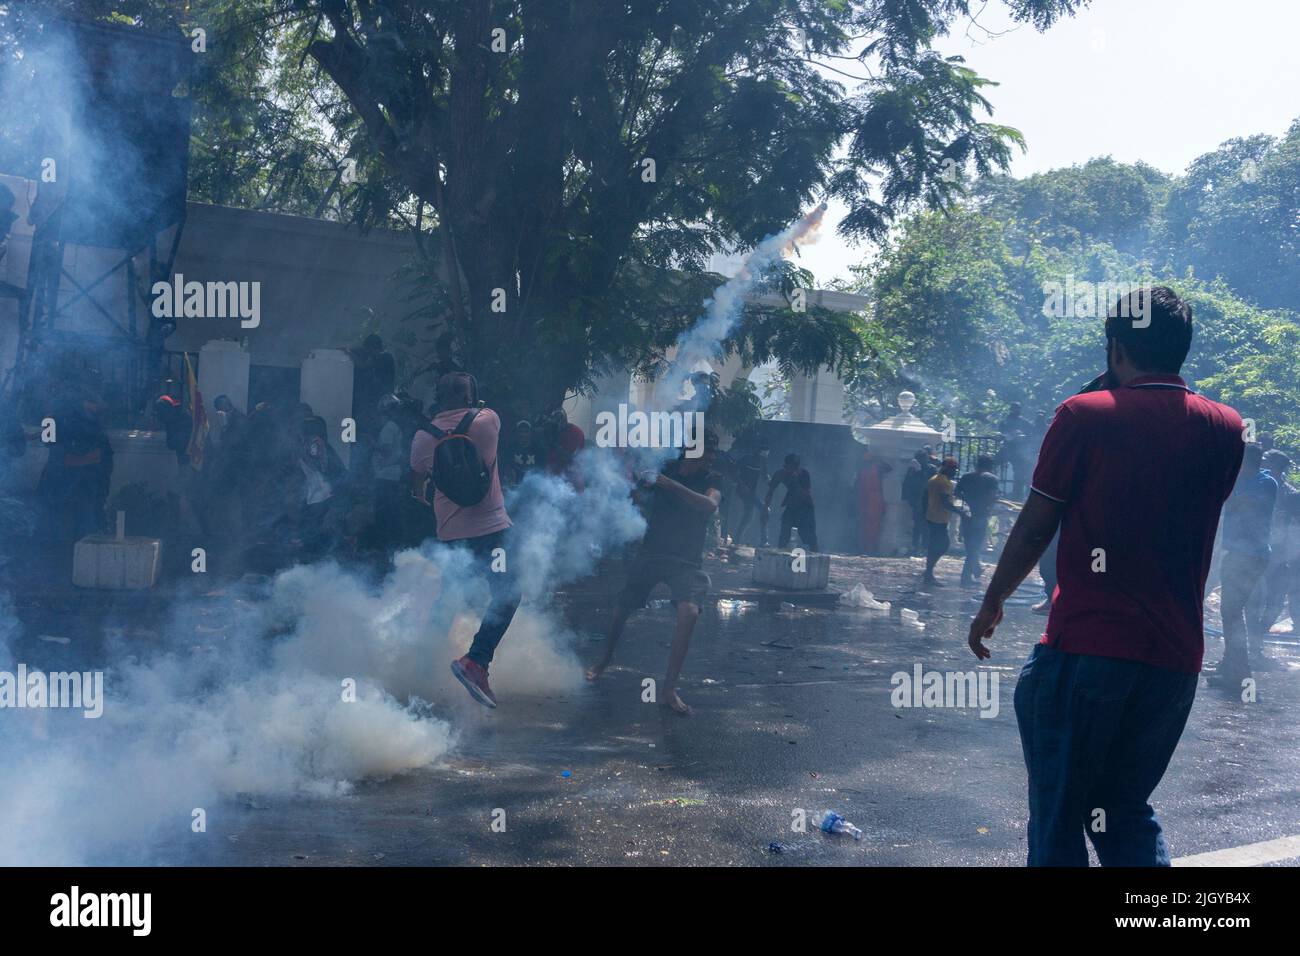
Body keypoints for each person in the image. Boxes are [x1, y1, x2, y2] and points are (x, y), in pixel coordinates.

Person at [968, 286, 1244, 867]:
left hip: (1088, 650)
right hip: (1173, 661)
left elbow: (1037, 525)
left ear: (1115, 348)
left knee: (1059, 813)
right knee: (1121, 809)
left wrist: (993, 601)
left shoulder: (1081, 416)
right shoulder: (1226, 428)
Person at [586, 430, 723, 716]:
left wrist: (671, 486)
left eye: (713, 450)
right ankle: (604, 661)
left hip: (685, 561)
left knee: (690, 613)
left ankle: (669, 689)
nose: (711, 456)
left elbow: (709, 505)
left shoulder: (711, 480)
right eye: (707, 449)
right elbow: (637, 496)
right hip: (652, 553)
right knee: (622, 609)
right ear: (690, 449)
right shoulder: (665, 469)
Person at [412, 372, 519, 708]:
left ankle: (419, 662)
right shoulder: (488, 421)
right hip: (492, 530)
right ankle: (476, 660)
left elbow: (417, 487)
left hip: (451, 534)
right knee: (507, 593)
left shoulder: (422, 438)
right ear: (471, 396)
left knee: (450, 595)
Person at [1213, 443, 1277, 689]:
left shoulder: (1265, 482)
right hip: (1238, 554)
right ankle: (1231, 665)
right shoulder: (1240, 480)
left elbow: (1239, 505)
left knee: (1232, 611)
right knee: (1230, 612)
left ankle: (1238, 672)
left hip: (1250, 556)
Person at [955, 454, 1000, 586]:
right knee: (974, 547)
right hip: (980, 515)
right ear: (990, 465)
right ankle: (966, 578)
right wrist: (989, 505)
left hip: (967, 515)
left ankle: (974, 571)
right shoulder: (992, 479)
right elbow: (992, 496)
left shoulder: (966, 476)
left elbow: (957, 493)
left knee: (970, 546)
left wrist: (969, 499)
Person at [923, 457, 965, 587]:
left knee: (934, 545)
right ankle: (928, 573)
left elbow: (925, 498)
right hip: (939, 518)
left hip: (931, 516)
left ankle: (928, 571)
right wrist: (961, 512)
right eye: (953, 469)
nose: (954, 472)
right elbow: (945, 502)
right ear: (948, 468)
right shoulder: (945, 483)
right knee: (943, 545)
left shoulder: (933, 479)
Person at [765, 452, 817, 551]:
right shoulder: (781, 474)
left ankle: (813, 554)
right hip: (791, 506)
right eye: (790, 467)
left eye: (794, 467)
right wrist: (765, 508)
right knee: (784, 532)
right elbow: (770, 491)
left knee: (808, 536)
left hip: (805, 507)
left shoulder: (804, 474)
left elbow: (805, 494)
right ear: (785, 466)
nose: (792, 470)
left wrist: (796, 482)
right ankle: (781, 554)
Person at [854, 444, 892, 555]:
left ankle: (863, 548)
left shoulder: (862, 471)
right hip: (874, 500)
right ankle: (870, 549)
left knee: (864, 526)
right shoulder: (877, 469)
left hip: (864, 500)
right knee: (873, 526)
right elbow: (890, 468)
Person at [731, 443, 769, 547]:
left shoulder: (763, 463)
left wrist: (770, 481)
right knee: (760, 510)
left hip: (752, 492)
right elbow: (734, 470)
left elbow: (765, 476)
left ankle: (737, 539)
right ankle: (764, 540)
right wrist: (741, 484)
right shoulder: (747, 459)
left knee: (750, 514)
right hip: (742, 490)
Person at [902, 447, 937, 556]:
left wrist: (920, 471)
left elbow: (929, 484)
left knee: (926, 526)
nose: (921, 460)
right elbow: (907, 483)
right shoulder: (912, 469)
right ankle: (915, 546)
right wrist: (907, 499)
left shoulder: (932, 469)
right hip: (917, 501)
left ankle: (925, 548)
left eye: (923, 458)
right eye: (919, 458)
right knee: (917, 526)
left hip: (928, 501)